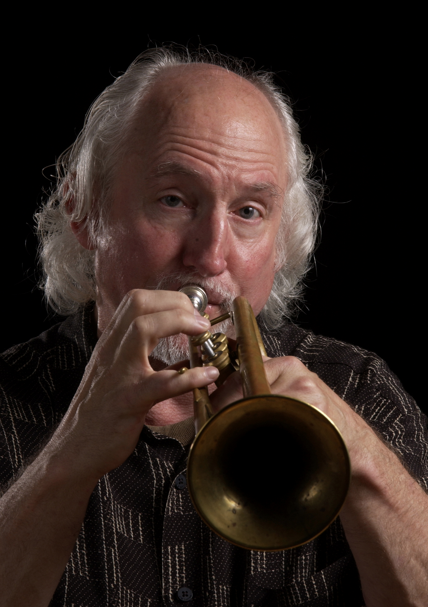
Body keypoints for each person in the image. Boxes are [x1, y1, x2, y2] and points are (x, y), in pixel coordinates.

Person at [0, 46, 427, 607]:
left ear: (281, 242)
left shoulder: (361, 390)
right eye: (174, 200)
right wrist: (70, 454)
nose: (210, 256)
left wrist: (359, 457)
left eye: (249, 211)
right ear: (84, 210)